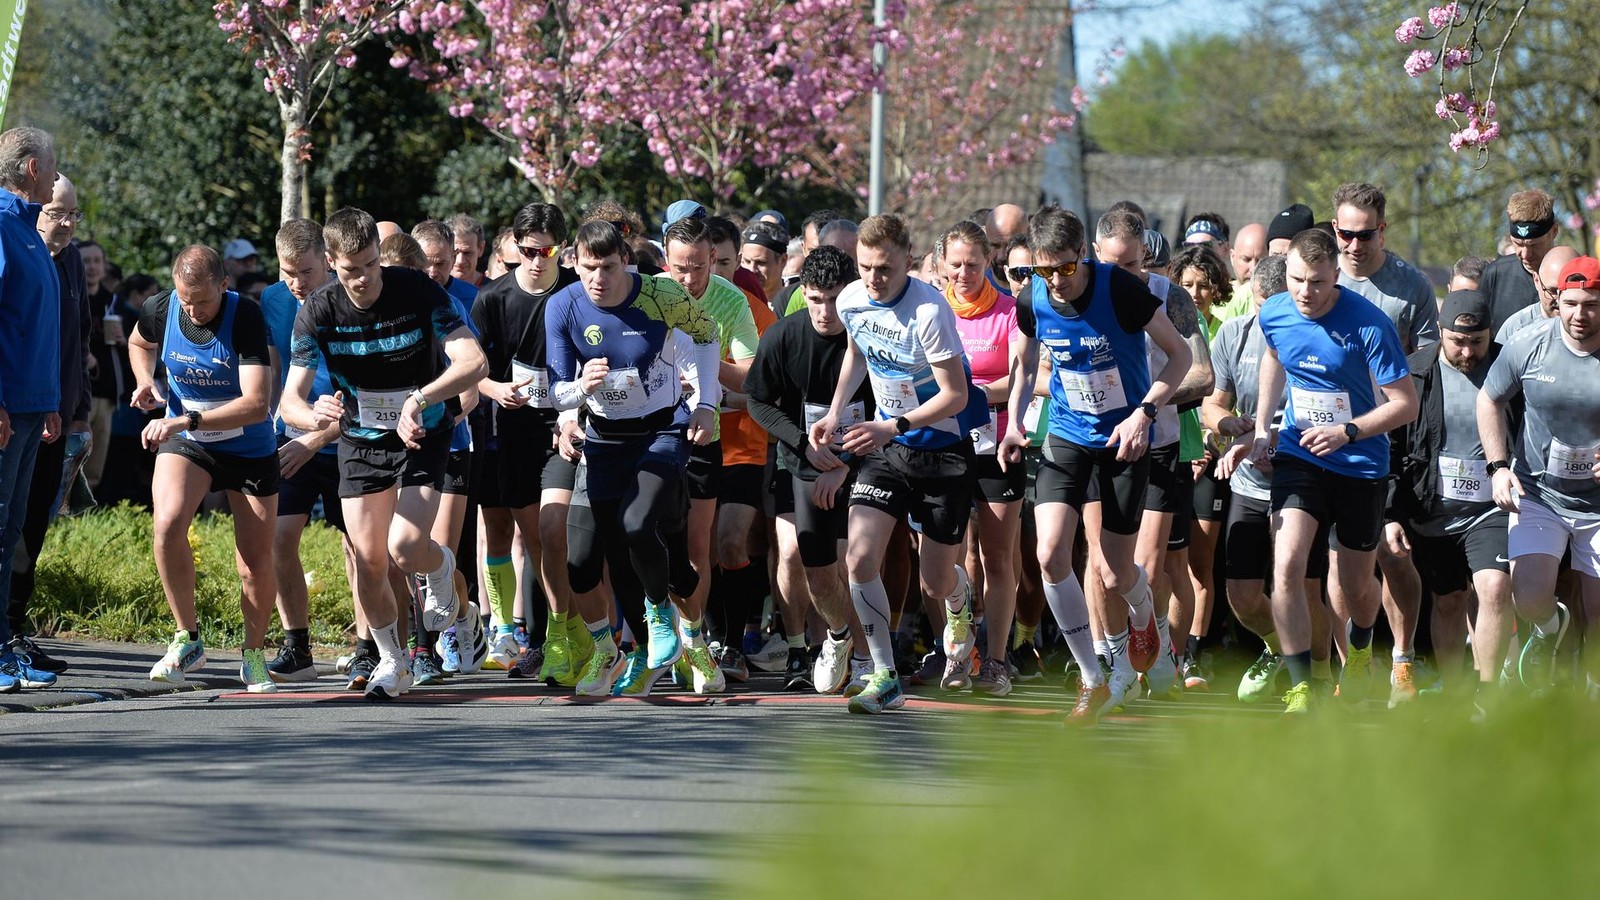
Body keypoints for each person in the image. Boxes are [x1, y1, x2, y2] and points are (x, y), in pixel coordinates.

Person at [281, 207, 488, 701]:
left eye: (371, 265)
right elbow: (290, 400)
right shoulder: (319, 310)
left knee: (404, 546)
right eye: (351, 270)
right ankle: (393, 660)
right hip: (361, 439)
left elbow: (473, 362)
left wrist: (420, 398)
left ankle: (442, 573)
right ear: (331, 263)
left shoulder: (416, 291)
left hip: (423, 433)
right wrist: (315, 416)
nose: (363, 279)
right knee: (371, 561)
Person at [998, 206, 1193, 722]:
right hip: (1066, 433)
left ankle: (1145, 615)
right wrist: (1015, 420)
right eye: (1045, 271)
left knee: (1115, 571)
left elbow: (1180, 356)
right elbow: (1022, 365)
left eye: (1066, 268)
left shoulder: (1121, 290)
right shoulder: (1033, 297)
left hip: (1124, 441)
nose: (1057, 282)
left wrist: (1144, 414)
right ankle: (1093, 678)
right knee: (1050, 556)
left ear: (1082, 255)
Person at [809, 214, 988, 715]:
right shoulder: (850, 299)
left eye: (884, 269)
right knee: (860, 559)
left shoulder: (928, 312)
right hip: (888, 451)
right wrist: (836, 411)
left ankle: (958, 601)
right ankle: (884, 673)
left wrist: (895, 424)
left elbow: (955, 395)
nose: (873, 279)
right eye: (865, 267)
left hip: (943, 450)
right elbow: (857, 354)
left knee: (936, 579)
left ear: (908, 263)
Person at [1246, 229, 1417, 713]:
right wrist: (1263, 426)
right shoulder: (1275, 311)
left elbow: (1405, 404)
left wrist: (1349, 431)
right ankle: (1302, 683)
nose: (1305, 292)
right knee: (1287, 566)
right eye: (1298, 279)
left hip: (1360, 463)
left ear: (1336, 277)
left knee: (1355, 587)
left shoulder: (1368, 324)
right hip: (1301, 455)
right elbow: (1275, 358)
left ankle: (1360, 649)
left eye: (1317, 283)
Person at [548, 220, 721, 696]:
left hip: (662, 430)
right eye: (587, 268)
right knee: (620, 554)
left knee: (639, 525)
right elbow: (556, 390)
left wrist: (706, 404)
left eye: (607, 266)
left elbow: (706, 336)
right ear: (574, 264)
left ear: (625, 260)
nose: (598, 278)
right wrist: (580, 388)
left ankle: (680, 630)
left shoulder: (660, 295)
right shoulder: (562, 306)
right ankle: (644, 647)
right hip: (604, 439)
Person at [128, 246, 279, 692]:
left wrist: (186, 419)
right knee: (167, 525)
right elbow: (139, 342)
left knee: (252, 564)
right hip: (189, 442)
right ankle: (187, 638)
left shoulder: (245, 316)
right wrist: (145, 381)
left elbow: (256, 405)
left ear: (223, 286)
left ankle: (253, 655)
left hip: (247, 447)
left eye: (203, 301)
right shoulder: (161, 306)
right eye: (185, 300)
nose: (193, 310)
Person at [1086, 210, 1214, 698]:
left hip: (1158, 444)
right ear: (1096, 256)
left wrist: (1146, 404)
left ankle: (1153, 648)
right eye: (1115, 265)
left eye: (1136, 266)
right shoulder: (1076, 295)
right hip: (1100, 443)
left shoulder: (1168, 297)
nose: (1126, 277)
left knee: (1148, 563)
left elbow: (1203, 375)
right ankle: (1113, 664)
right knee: (1100, 562)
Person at [1204, 254, 1338, 700]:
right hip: (1248, 482)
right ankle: (1281, 648)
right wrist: (1231, 426)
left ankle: (1316, 679)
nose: (1272, 322)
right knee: (1241, 596)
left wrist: (1273, 440)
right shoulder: (1234, 333)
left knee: (1302, 586)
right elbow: (1211, 403)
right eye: (1263, 310)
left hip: (1302, 479)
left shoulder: (1317, 339)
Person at [473, 203, 592, 684]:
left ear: (561, 250)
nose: (537, 260)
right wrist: (495, 389)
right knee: (537, 541)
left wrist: (575, 410)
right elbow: (470, 366)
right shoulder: (493, 298)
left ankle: (565, 637)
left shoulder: (576, 291)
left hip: (566, 430)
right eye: (526, 251)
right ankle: (555, 638)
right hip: (516, 432)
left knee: (553, 530)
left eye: (546, 251)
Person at [1330, 181, 1438, 703]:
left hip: (1393, 437)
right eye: (1345, 234)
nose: (1354, 244)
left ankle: (1402, 659)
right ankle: (1351, 666)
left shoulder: (1408, 287)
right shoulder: (1321, 277)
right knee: (1339, 562)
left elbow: (1427, 366)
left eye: (1365, 234)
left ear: (1382, 230)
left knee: (1393, 553)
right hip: (1330, 435)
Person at [747, 246, 871, 694]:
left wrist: (846, 465)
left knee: (856, 563)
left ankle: (866, 658)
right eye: (815, 299)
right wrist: (802, 444)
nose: (825, 311)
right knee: (817, 570)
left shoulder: (870, 337)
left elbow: (892, 406)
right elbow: (758, 400)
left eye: (834, 299)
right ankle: (836, 635)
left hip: (866, 462)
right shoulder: (784, 336)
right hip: (806, 465)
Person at [1479, 256, 1600, 692]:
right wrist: (1497, 467)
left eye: (1591, 304)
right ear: (1556, 299)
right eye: (1570, 303)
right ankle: (1550, 630)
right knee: (1527, 598)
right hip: (1539, 494)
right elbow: (1489, 400)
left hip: (1598, 507)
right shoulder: (1528, 343)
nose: (1579, 315)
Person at [1387, 290, 1513, 702]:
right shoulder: (1413, 373)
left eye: (1476, 341)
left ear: (1489, 334)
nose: (1466, 351)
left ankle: (1489, 696)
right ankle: (1457, 693)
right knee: (1449, 600)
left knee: (1494, 588)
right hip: (1430, 506)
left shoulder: (1507, 365)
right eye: (1457, 341)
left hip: (1490, 507)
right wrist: (1391, 513)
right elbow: (1390, 445)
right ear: (1439, 332)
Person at [259, 218, 358, 684]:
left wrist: (319, 438)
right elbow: (279, 371)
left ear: (329, 261)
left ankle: (368, 645)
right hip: (292, 433)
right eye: (288, 272)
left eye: (308, 272)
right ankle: (297, 645)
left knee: (359, 545)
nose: (297, 284)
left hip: (353, 436)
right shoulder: (273, 300)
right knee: (279, 539)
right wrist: (281, 428)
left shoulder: (353, 297)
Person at [5, 173, 91, 676]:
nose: (66, 224)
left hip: (57, 413)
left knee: (35, 521)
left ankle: (16, 628)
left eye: (73, 215)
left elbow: (78, 340)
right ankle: (6, 633)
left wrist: (78, 411)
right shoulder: (18, 252)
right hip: (19, 411)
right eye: (58, 213)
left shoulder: (72, 260)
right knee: (9, 525)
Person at [941, 220, 1023, 695]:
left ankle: (995, 658)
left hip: (996, 445)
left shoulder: (1010, 311)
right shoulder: (933, 309)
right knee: (947, 554)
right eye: (957, 264)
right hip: (946, 445)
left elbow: (1023, 377)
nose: (965, 273)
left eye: (974, 263)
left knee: (996, 554)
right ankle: (955, 652)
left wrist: (973, 394)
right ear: (943, 265)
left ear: (988, 262)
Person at [0, 126, 61, 693]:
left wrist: (47, 404)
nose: (58, 169)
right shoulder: (0, 225)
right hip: (5, 407)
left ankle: (3, 645)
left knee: (11, 528)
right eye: (53, 161)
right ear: (31, 169)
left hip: (28, 407)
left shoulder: (27, 231)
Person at [1480, 189, 1561, 334]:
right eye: (1518, 244)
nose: (1525, 254)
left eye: (1534, 245)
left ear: (1554, 231)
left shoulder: (1574, 273)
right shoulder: (1495, 275)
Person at [1497, 246, 1577, 344]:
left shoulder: (1594, 325)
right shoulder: (1515, 329)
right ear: (1537, 281)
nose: (1560, 300)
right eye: (1552, 291)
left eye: (1567, 291)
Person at [740, 220, 788, 309]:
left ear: (783, 261)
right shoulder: (732, 303)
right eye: (747, 261)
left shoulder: (793, 305)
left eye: (761, 262)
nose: (752, 270)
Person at [447, 212, 487, 287]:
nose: (460, 261)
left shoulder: (494, 293)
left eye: (467, 253)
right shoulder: (431, 290)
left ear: (481, 249)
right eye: (454, 253)